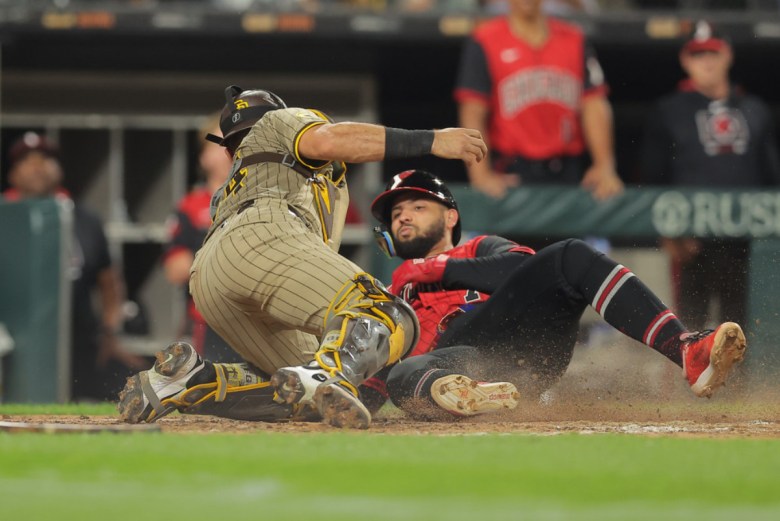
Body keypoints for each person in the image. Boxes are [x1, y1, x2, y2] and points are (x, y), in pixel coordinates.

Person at [117, 85, 487, 429]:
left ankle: (193, 381)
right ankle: (328, 372)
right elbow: (330, 139)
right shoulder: (278, 121)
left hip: (211, 276)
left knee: (302, 391)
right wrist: (434, 140)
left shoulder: (246, 175)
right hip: (263, 231)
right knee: (387, 313)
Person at [366, 170, 746, 419]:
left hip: (520, 342)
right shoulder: (388, 293)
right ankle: (476, 395)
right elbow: (372, 383)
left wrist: (435, 267)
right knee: (407, 371)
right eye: (397, 213)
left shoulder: (480, 247)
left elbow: (525, 272)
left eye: (418, 206)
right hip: (456, 364)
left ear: (450, 217)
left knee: (569, 255)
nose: (404, 216)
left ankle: (684, 348)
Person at [639, 20, 780, 331]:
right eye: (698, 54)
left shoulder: (755, 109)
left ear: (727, 55)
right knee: (689, 331)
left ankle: (748, 383)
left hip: (748, 244)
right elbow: (652, 177)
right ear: (685, 60)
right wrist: (667, 234)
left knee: (749, 330)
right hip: (691, 242)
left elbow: (772, 179)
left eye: (713, 53)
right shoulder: (669, 110)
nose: (707, 61)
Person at [2, 132, 146, 401]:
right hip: (11, 339)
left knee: (77, 404)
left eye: (45, 159)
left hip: (75, 338)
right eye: (27, 161)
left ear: (59, 169)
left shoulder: (83, 218)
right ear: (13, 173)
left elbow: (109, 282)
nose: (37, 167)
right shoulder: (5, 216)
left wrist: (110, 332)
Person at [454, 0, 623, 200]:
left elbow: (594, 103)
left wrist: (604, 165)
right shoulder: (485, 40)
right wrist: (481, 175)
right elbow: (473, 111)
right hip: (511, 171)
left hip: (566, 170)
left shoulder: (574, 38)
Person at [162, 113, 241, 362]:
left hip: (259, 316)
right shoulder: (191, 206)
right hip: (210, 320)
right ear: (204, 156)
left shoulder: (263, 199)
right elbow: (176, 270)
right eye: (219, 142)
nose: (229, 148)